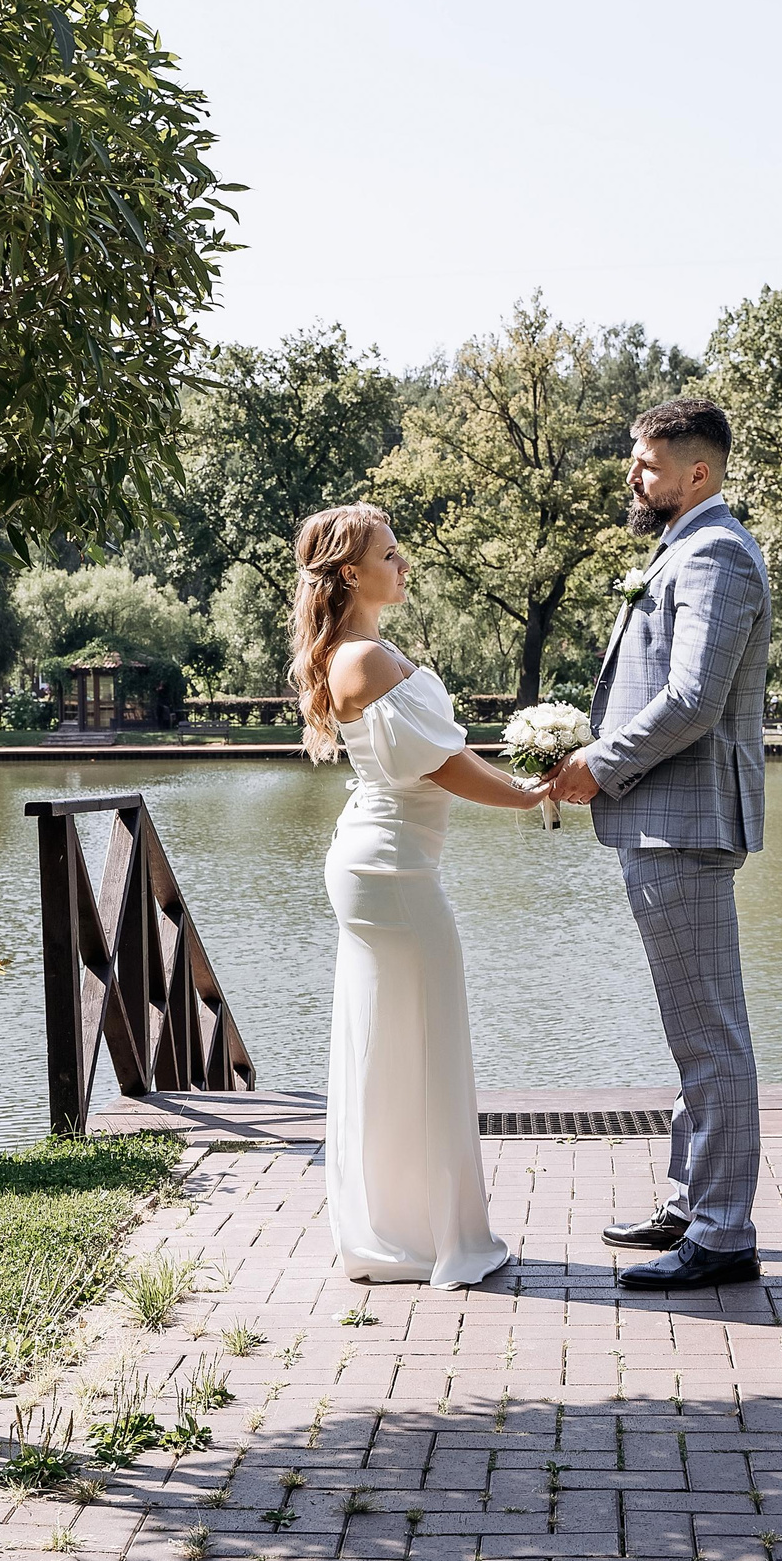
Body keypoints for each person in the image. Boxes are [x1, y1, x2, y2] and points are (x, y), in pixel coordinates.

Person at [547, 398, 773, 1291]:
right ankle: (692, 1201)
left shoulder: (716, 552)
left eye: (646, 464)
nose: (633, 477)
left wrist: (597, 765)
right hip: (665, 821)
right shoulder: (682, 547)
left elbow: (692, 701)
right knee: (696, 1029)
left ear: (698, 474)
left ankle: (722, 1233)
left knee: (712, 1034)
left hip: (682, 824)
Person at [290, 502, 543, 1288]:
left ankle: (400, 1230)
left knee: (394, 1047)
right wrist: (530, 796)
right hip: (392, 872)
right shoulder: (361, 658)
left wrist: (525, 776)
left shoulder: (369, 648)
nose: (404, 565)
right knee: (426, 1048)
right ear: (349, 573)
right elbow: (442, 766)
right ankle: (433, 1238)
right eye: (389, 555)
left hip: (387, 865)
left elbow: (445, 753)